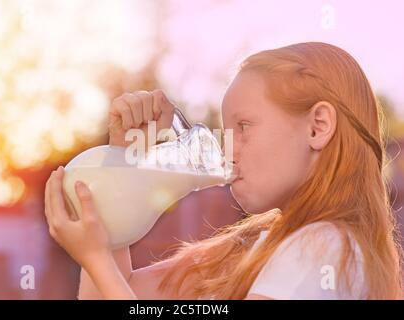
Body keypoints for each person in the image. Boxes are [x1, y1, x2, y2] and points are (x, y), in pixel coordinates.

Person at [44, 42, 403, 299]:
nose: (226, 149)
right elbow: (121, 293)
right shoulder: (250, 246)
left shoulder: (323, 245)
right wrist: (123, 169)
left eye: (244, 126)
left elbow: (111, 285)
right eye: (225, 131)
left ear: (317, 126)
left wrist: (95, 258)